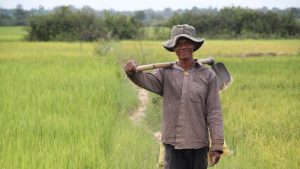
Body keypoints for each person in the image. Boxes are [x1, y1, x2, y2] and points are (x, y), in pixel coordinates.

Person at [124, 24, 224, 169]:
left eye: (187, 42)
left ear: (194, 45)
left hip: (198, 145)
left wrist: (217, 145)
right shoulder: (165, 73)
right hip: (172, 145)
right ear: (173, 48)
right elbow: (146, 81)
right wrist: (132, 72)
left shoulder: (208, 76)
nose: (183, 46)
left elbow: (214, 112)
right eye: (178, 43)